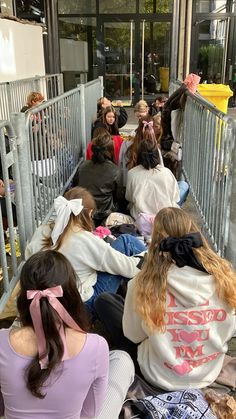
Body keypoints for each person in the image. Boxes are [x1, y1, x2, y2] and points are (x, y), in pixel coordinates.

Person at [94, 207, 236, 391]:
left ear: (155, 242)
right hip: (206, 373)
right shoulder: (225, 278)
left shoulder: (142, 284)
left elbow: (133, 336)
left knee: (105, 301)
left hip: (157, 375)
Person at [0, 250, 109, 418]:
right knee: (122, 360)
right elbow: (89, 414)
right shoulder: (97, 346)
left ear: (23, 296)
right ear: (72, 294)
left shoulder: (1, 342)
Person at [25, 187, 146, 315]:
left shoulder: (41, 232)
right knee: (127, 241)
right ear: (89, 213)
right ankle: (157, 274)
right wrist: (147, 256)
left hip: (47, 303)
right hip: (81, 307)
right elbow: (128, 268)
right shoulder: (85, 240)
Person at [125, 138, 182, 223]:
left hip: (142, 220)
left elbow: (129, 198)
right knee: (183, 185)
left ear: (138, 155)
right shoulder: (166, 172)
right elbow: (176, 197)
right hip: (165, 218)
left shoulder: (132, 173)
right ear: (157, 155)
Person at [73, 131, 123, 226]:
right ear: (111, 150)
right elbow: (119, 196)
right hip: (105, 213)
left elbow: (76, 185)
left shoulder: (83, 166)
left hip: (83, 210)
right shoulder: (115, 170)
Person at [119, 115, 163, 187]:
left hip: (129, 185)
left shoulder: (126, 143)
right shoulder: (154, 146)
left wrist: (120, 184)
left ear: (138, 127)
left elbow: (120, 164)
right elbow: (161, 167)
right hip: (150, 186)